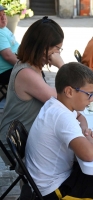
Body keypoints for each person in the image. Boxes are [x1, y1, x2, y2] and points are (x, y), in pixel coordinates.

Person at [25, 62, 93, 199]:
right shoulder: (63, 117)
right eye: (89, 94)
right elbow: (89, 154)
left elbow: (80, 116)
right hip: (52, 189)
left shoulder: (55, 104)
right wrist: (90, 139)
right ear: (69, 91)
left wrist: (84, 130)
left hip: (47, 179)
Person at [0, 16, 64, 165]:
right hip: (16, 145)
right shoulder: (26, 73)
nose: (58, 54)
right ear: (42, 48)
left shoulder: (30, 65)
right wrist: (62, 65)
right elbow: (63, 98)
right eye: (57, 49)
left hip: (25, 137)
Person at [0, 5, 19, 85]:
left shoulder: (3, 28)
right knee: (34, 75)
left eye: (3, 14)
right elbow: (8, 56)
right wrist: (26, 65)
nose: (3, 17)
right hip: (6, 71)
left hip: (14, 66)